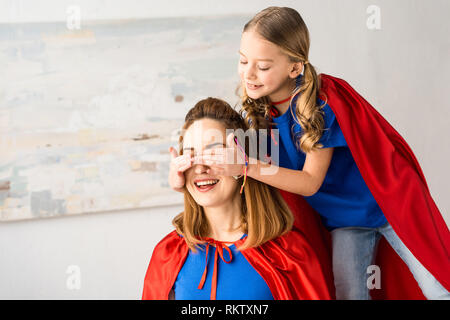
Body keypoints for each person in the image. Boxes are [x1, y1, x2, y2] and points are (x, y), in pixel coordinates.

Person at [169, 7, 449, 300]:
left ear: (294, 67)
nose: (248, 74)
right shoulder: (258, 116)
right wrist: (180, 179)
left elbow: (309, 181)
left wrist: (246, 166)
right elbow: (226, 172)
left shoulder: (321, 102)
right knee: (348, 294)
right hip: (345, 222)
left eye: (262, 66)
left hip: (388, 207)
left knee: (436, 284)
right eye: (242, 60)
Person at [143, 97, 335, 300]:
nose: (200, 168)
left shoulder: (289, 251)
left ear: (242, 160)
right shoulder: (168, 253)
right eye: (190, 156)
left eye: (215, 153)